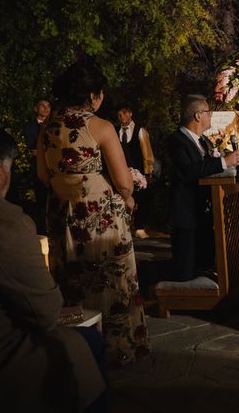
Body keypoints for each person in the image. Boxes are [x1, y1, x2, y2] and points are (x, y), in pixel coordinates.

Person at [38, 59, 150, 367]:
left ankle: (78, 349)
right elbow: (123, 182)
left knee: (71, 281)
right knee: (112, 282)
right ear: (93, 95)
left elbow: (44, 175)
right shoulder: (100, 126)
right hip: (99, 218)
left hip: (63, 216)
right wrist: (127, 197)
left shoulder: (48, 126)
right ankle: (120, 350)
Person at [0, 124, 106, 412]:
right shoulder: (4, 224)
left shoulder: (50, 130)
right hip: (1, 361)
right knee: (86, 345)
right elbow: (46, 312)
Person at [167, 94, 239, 282]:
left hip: (205, 212)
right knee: (185, 270)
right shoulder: (176, 141)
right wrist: (223, 162)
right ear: (198, 115)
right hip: (186, 215)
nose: (211, 116)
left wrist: (234, 161)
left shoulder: (204, 141)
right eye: (209, 112)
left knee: (205, 265)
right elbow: (188, 171)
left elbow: (211, 167)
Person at [117, 104, 155, 239]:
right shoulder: (116, 131)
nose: (122, 116)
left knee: (141, 199)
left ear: (130, 113)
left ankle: (139, 227)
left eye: (125, 112)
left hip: (138, 172)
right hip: (122, 171)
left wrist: (148, 172)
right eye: (120, 113)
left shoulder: (139, 131)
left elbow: (147, 152)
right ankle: (124, 227)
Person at [23, 99, 52, 234]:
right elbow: (32, 149)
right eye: (42, 105)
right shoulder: (30, 126)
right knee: (41, 201)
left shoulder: (55, 125)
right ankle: (42, 232)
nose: (46, 108)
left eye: (48, 106)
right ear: (35, 108)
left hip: (54, 169)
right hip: (37, 169)